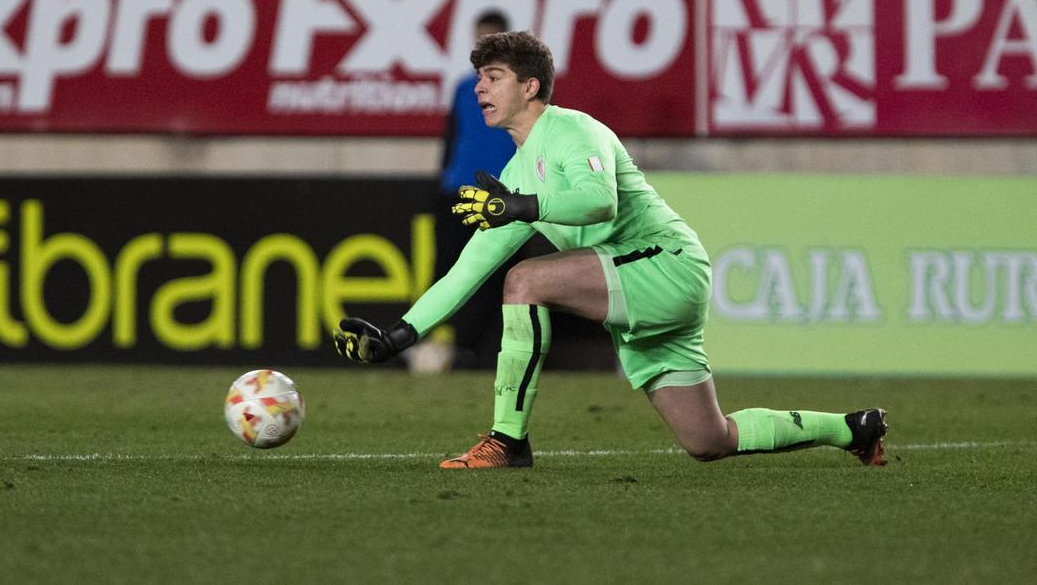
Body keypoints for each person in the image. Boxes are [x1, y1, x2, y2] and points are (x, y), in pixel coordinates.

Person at [334, 31, 888, 469]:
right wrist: (400, 335)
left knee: (524, 282)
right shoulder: (517, 172)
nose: (479, 88)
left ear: (530, 87)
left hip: (665, 265)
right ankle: (851, 429)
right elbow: (469, 267)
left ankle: (509, 441)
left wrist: (524, 207)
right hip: (637, 294)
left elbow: (599, 202)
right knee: (708, 439)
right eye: (479, 77)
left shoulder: (575, 131)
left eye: (493, 77)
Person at [419, 10, 518, 370]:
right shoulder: (464, 88)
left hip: (497, 197)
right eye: (478, 40)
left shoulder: (523, 89)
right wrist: (441, 182)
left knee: (490, 277)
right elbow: (452, 139)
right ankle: (426, 342)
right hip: (455, 193)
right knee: (444, 271)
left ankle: (473, 350)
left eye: (489, 40)